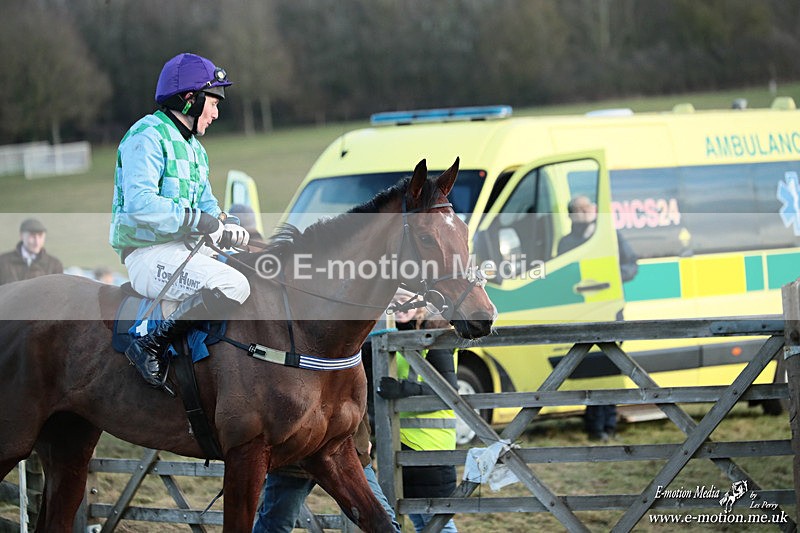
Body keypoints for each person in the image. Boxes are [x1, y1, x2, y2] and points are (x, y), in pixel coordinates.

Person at [109, 52, 251, 391]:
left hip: (184, 251)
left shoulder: (196, 150)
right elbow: (141, 205)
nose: (216, 113)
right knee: (235, 286)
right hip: (147, 254)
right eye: (213, 103)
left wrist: (227, 225)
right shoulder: (145, 136)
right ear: (190, 99)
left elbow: (208, 206)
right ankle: (148, 343)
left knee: (254, 273)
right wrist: (201, 222)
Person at [557, 195, 639, 442]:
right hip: (582, 315)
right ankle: (595, 425)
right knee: (590, 371)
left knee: (610, 369)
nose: (587, 212)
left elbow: (631, 266)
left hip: (611, 313)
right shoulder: (566, 243)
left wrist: (610, 278)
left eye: (588, 207)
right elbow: (564, 276)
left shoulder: (610, 236)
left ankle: (609, 425)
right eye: (579, 209)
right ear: (571, 215)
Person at [377, 301, 459, 533]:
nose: (401, 305)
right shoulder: (381, 336)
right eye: (394, 301)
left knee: (437, 524)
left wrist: (401, 390)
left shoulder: (435, 339)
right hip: (398, 446)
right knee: (421, 522)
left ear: (421, 304)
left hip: (430, 449)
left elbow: (447, 393)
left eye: (408, 300)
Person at [0, 218, 63, 285]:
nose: (37, 242)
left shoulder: (55, 265)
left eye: (40, 236)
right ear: (21, 236)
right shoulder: (3, 262)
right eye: (32, 236)